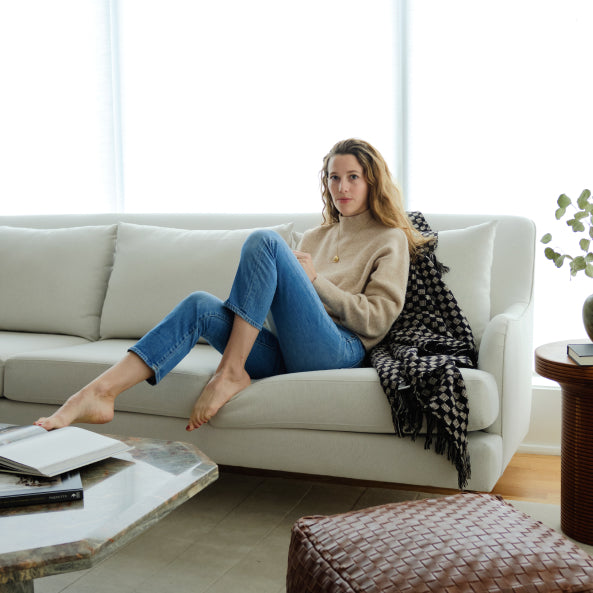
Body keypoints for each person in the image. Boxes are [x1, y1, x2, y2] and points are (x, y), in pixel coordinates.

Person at [35, 138, 428, 433]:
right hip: (286, 351)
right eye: (334, 178)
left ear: (372, 181)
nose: (342, 187)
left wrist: (317, 282)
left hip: (339, 349)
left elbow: (377, 321)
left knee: (264, 240)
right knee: (199, 305)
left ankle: (230, 372)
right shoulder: (314, 237)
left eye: (353, 177)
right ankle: (99, 393)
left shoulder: (389, 237)